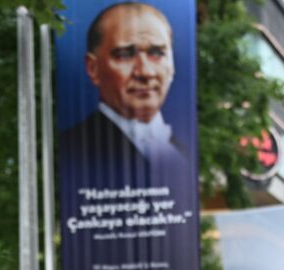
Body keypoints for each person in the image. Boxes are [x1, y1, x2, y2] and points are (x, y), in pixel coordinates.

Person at [54, 3, 187, 172]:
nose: (145, 72)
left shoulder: (183, 151)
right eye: (125, 55)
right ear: (92, 68)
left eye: (157, 53)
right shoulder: (75, 148)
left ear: (172, 64)